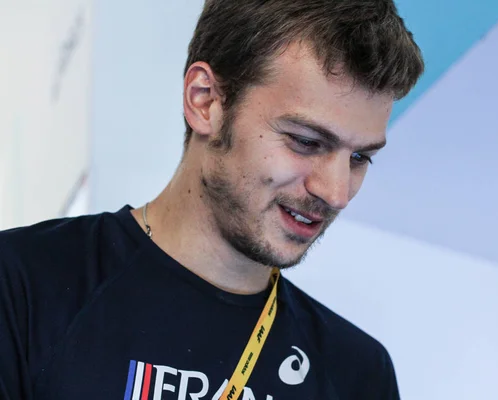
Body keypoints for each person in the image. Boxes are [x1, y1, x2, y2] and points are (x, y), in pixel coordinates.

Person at [0, 1, 424, 399]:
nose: (336, 192)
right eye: (305, 141)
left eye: (359, 157)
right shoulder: (23, 285)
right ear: (205, 101)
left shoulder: (358, 374)